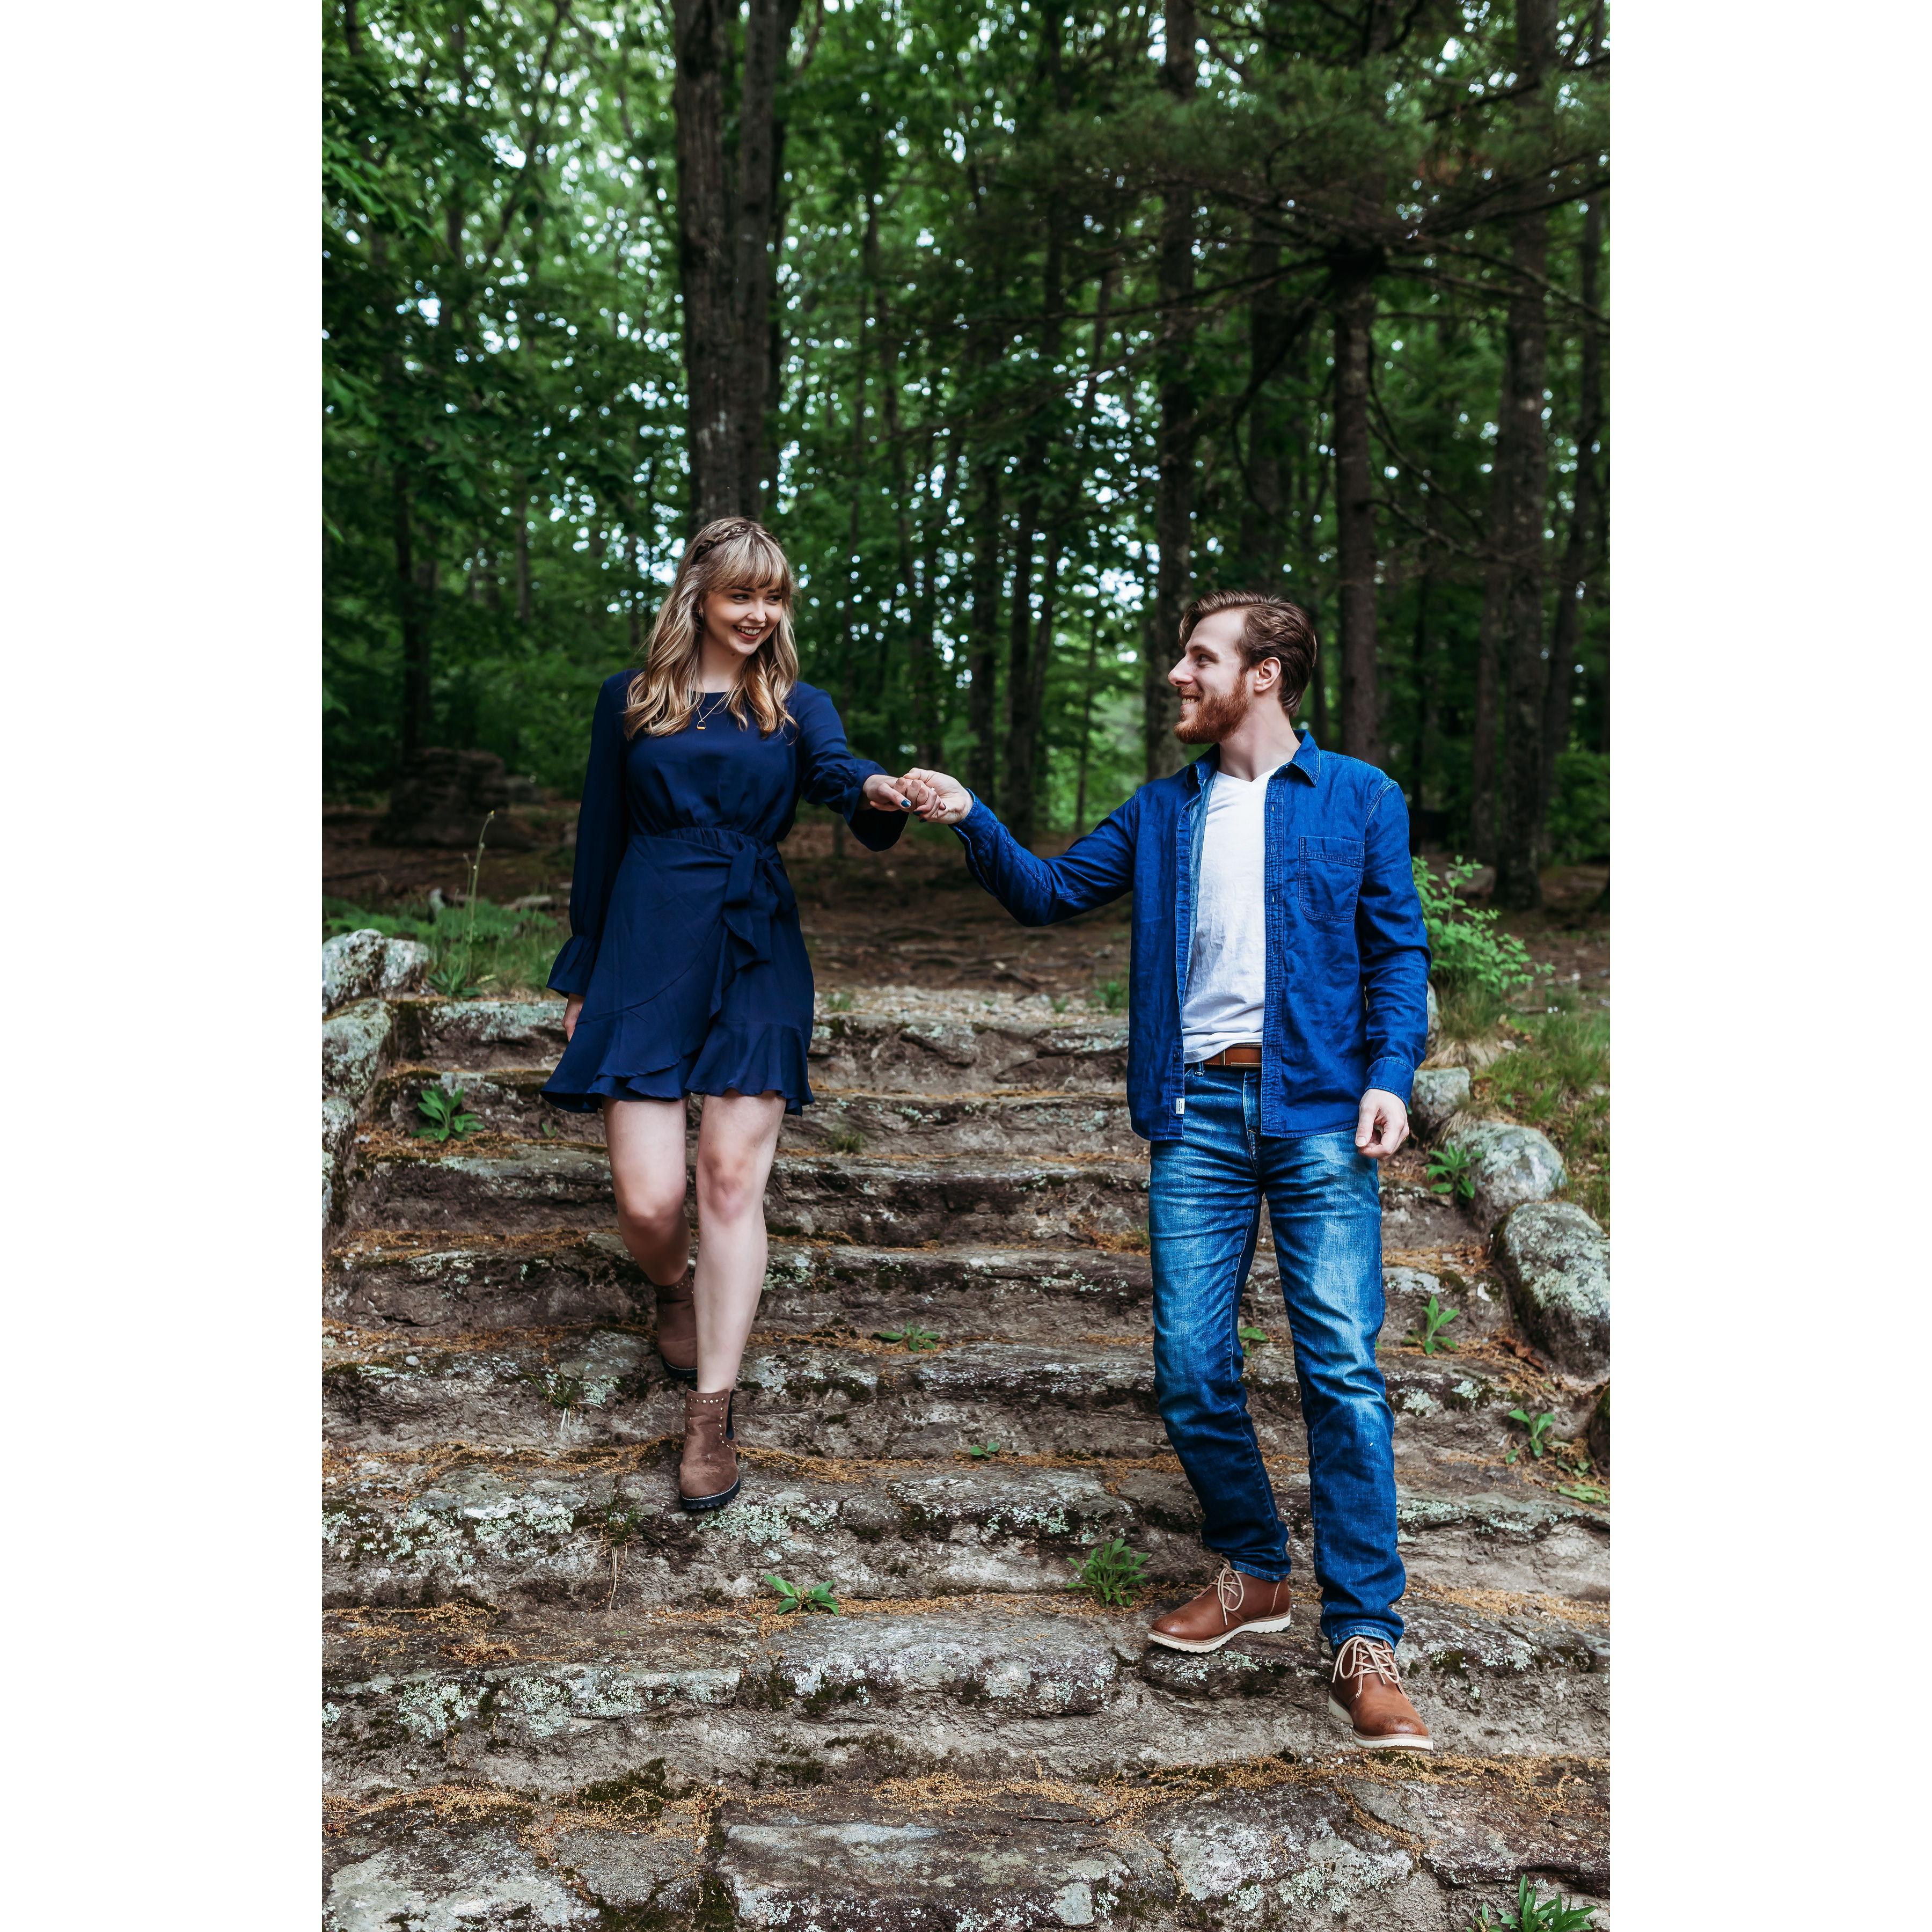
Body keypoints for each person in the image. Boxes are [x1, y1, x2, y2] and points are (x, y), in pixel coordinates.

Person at [890, 591, 1436, 1751]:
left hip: (1320, 1111)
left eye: (1201, 658)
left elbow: (1398, 951)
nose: (1178, 677)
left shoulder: (1360, 798)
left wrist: (1391, 1074)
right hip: (1196, 1116)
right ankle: (1255, 1567)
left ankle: (1364, 1638)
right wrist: (971, 815)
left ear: (1265, 674)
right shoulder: (1163, 811)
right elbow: (1046, 894)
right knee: (1190, 1367)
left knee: (1341, 1370)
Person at [543, 517, 930, 1513]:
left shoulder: (796, 706)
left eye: (775, 597)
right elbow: (600, 838)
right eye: (742, 595)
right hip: (644, 940)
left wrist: (879, 789)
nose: (760, 614)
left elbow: (839, 776)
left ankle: (710, 1414)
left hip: (757, 942)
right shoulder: (631, 700)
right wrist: (583, 972)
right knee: (647, 1202)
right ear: (700, 597)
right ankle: (673, 1287)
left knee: (725, 1177)